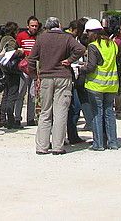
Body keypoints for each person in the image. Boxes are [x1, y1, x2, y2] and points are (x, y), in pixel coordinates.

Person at [28, 16, 85, 155]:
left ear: (47, 26)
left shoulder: (41, 38)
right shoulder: (66, 38)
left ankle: (42, 146)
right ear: (59, 25)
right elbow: (81, 49)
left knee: (45, 111)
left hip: (46, 77)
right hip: (63, 76)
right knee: (60, 112)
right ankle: (58, 147)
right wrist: (69, 60)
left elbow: (31, 59)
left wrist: (35, 76)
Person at [83, 19, 120, 150]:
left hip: (96, 85)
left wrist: (81, 68)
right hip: (111, 84)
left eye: (87, 32)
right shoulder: (113, 44)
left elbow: (91, 67)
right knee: (109, 112)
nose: (86, 35)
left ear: (91, 32)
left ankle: (98, 144)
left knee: (97, 114)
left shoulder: (93, 46)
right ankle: (113, 142)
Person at [13, 17, 41, 127]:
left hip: (35, 68)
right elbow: (15, 50)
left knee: (33, 95)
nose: (34, 28)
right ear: (28, 25)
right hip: (24, 69)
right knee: (21, 93)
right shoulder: (21, 36)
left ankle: (30, 118)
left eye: (36, 26)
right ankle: (17, 118)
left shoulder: (39, 37)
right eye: (32, 25)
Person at [0, 21, 22, 129]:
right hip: (12, 71)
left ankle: (2, 119)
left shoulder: (2, 39)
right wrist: (20, 52)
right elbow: (10, 53)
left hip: (5, 70)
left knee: (5, 95)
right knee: (12, 96)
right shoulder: (10, 40)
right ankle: (10, 120)